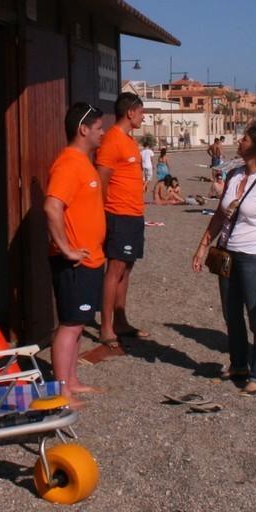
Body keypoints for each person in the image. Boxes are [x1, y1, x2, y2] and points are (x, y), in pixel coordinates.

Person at [192, 125, 256, 394]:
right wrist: (202, 246)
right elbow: (220, 215)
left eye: (244, 138)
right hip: (227, 252)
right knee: (230, 313)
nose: (239, 141)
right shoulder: (234, 174)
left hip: (254, 255)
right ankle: (238, 364)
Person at [44, 102, 107, 400]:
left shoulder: (83, 162)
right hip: (75, 263)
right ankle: (62, 390)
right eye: (98, 128)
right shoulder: (69, 163)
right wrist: (66, 249)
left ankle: (72, 380)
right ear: (83, 129)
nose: (102, 133)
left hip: (91, 258)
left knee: (79, 324)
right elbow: (52, 206)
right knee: (69, 325)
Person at [95, 92, 149, 350]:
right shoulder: (111, 140)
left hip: (134, 213)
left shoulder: (128, 141)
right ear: (130, 112)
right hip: (118, 213)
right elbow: (101, 181)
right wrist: (101, 216)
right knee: (115, 268)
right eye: (141, 111)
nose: (142, 116)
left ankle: (120, 319)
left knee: (126, 268)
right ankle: (106, 327)